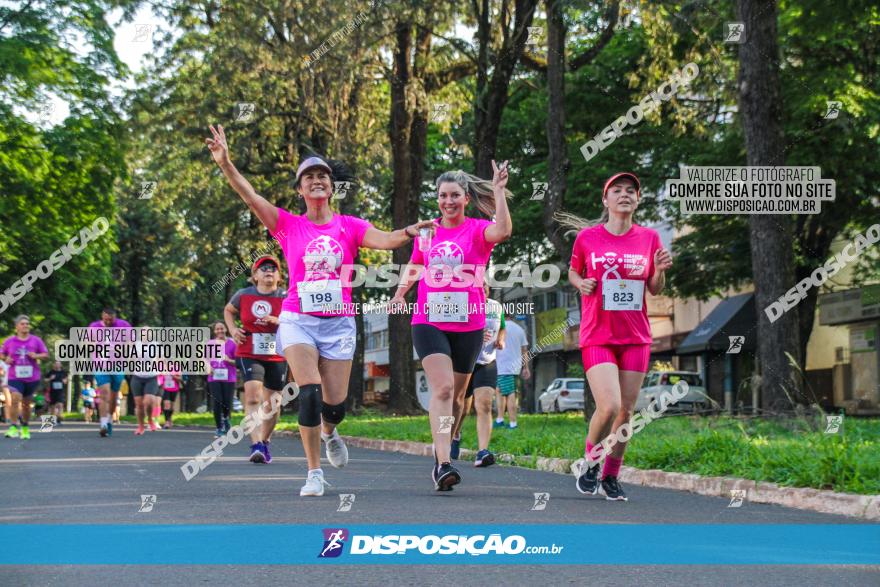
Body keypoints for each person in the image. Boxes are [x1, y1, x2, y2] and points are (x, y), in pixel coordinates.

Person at [206, 124, 435, 496]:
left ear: (331, 187)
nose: (317, 181)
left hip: (339, 325)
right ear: (300, 189)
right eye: (309, 177)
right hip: (299, 320)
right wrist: (226, 163)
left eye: (323, 177)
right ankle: (314, 473)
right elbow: (251, 199)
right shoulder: (288, 226)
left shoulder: (350, 226)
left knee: (334, 405)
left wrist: (410, 231)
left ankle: (330, 431)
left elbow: (386, 240)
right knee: (308, 393)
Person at [390, 162, 512, 491]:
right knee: (443, 389)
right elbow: (416, 265)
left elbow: (502, 231)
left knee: (458, 398)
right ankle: (443, 463)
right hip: (428, 320)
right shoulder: (428, 232)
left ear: (466, 198)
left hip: (469, 323)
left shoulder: (476, 229)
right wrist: (401, 292)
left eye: (455, 195)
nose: (448, 201)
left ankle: (447, 440)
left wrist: (499, 192)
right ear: (438, 199)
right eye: (443, 196)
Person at [566, 172, 672, 501]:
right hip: (598, 333)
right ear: (605, 199)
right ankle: (590, 461)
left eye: (631, 191)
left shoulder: (649, 238)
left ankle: (611, 475)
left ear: (637, 200)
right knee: (609, 405)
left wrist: (660, 270)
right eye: (617, 190)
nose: (624, 195)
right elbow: (573, 271)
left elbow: (654, 288)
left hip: (636, 335)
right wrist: (580, 284)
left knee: (626, 411)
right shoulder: (587, 238)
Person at [224, 256, 287, 463]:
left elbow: (298, 318)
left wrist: (279, 321)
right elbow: (228, 310)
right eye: (263, 268)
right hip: (249, 351)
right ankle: (256, 445)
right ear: (255, 275)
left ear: (279, 276)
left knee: (273, 404)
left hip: (277, 353)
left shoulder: (286, 296)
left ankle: (265, 441)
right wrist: (232, 329)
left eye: (273, 269)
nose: (268, 271)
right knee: (252, 397)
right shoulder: (244, 295)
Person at [452, 281, 506, 467]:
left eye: (484, 287)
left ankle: (482, 451)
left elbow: (502, 327)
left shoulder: (496, 307)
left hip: (487, 361)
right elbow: (452, 333)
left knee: (483, 404)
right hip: (464, 362)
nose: (482, 290)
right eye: (477, 287)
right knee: (461, 407)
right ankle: (454, 435)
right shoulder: (460, 304)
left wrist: (500, 339)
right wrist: (473, 335)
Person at [1, 315, 50, 439]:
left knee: (26, 404)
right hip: (14, 376)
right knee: (15, 398)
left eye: (27, 324)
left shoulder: (36, 340)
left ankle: (25, 427)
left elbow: (45, 355)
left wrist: (36, 356)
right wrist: (5, 358)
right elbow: (1, 354)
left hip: (32, 377)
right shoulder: (9, 341)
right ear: (17, 326)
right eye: (22, 324)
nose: (25, 326)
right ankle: (13, 427)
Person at [89, 308, 132, 437]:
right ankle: (102, 424)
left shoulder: (124, 325)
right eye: (106, 319)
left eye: (111, 320)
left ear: (115, 317)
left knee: (114, 396)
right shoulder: (94, 327)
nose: (108, 322)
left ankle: (109, 420)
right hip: (100, 364)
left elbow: (130, 343)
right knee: (104, 393)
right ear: (102, 316)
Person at [494, 318, 530, 430]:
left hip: (503, 365)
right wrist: (526, 367)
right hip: (515, 366)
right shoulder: (519, 329)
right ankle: (500, 419)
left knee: (509, 393)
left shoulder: (499, 327)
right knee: (500, 391)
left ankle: (512, 423)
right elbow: (524, 350)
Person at [207, 321, 237, 436]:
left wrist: (229, 360)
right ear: (214, 331)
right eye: (217, 329)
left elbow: (238, 362)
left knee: (227, 402)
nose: (220, 331)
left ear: (226, 329)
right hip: (214, 376)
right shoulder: (210, 344)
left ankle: (226, 419)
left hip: (229, 377)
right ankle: (219, 427)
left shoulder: (233, 343)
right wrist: (208, 367)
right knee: (217, 400)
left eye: (222, 328)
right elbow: (204, 359)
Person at [129, 328, 162, 435]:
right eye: (144, 332)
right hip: (137, 377)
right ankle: (141, 426)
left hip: (151, 377)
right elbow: (130, 359)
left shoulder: (156, 345)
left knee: (148, 401)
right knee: (139, 404)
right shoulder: (135, 345)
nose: (146, 334)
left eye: (148, 332)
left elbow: (160, 359)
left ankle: (150, 420)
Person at [45, 361, 68, 426]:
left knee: (60, 405)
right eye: (56, 364)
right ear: (54, 365)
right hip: (53, 391)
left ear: (60, 365)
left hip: (61, 391)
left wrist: (65, 381)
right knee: (53, 406)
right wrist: (50, 378)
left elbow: (66, 380)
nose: (57, 365)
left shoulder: (63, 372)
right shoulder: (51, 372)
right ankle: (53, 420)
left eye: (58, 364)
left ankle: (59, 420)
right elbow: (45, 380)